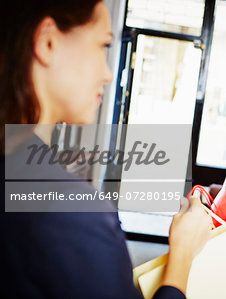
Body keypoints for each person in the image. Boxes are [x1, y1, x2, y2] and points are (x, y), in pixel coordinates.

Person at [0, 1, 211, 298]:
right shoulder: (73, 213)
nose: (109, 73)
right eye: (102, 46)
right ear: (48, 41)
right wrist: (184, 251)